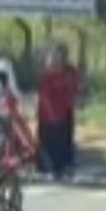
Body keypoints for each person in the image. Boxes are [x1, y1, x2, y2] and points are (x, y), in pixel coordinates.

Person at [36, 43, 79, 180]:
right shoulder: (48, 76)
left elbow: (75, 86)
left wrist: (73, 98)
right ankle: (49, 168)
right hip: (49, 115)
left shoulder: (69, 71)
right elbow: (45, 97)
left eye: (61, 56)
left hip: (64, 112)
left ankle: (64, 166)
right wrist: (50, 112)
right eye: (56, 56)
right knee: (49, 141)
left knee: (64, 140)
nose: (58, 59)